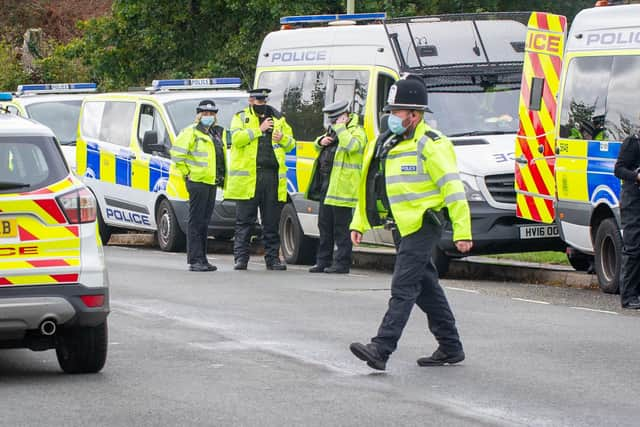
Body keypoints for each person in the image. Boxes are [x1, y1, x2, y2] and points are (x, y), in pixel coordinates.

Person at [348, 77, 473, 370]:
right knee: (426, 287)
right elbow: (367, 188)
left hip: (424, 223)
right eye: (390, 111)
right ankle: (450, 347)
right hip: (401, 226)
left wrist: (462, 230)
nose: (390, 116)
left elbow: (453, 189)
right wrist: (359, 223)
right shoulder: (386, 143)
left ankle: (381, 348)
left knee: (403, 285)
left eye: (397, 112)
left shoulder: (431, 144)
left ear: (414, 115)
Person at [226, 88, 295, 271]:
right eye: (258, 101)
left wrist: (282, 138)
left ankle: (272, 259)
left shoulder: (278, 118)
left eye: (263, 101)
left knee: (271, 222)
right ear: (250, 101)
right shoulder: (240, 118)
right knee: (244, 222)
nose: (261, 105)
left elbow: (291, 144)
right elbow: (237, 139)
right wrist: (259, 129)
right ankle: (241, 259)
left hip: (271, 177)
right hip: (249, 178)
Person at [306, 100, 366, 274]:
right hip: (328, 184)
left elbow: (352, 147)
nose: (333, 123)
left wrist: (341, 129)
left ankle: (342, 263)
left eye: (336, 119)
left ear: (345, 116)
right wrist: (320, 141)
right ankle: (323, 261)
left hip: (344, 189)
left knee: (342, 229)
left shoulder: (357, 132)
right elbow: (318, 147)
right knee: (324, 226)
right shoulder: (334, 130)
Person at [170, 100, 226, 272]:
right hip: (197, 181)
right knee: (196, 221)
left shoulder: (215, 133)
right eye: (205, 114)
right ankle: (195, 259)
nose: (208, 117)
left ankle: (203, 258)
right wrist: (187, 173)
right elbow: (177, 154)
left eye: (211, 114)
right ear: (199, 115)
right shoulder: (191, 132)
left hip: (210, 182)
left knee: (204, 222)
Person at [614, 134, 640, 309]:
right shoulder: (633, 143)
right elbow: (619, 169)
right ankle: (628, 296)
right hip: (633, 200)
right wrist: (636, 176)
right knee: (633, 248)